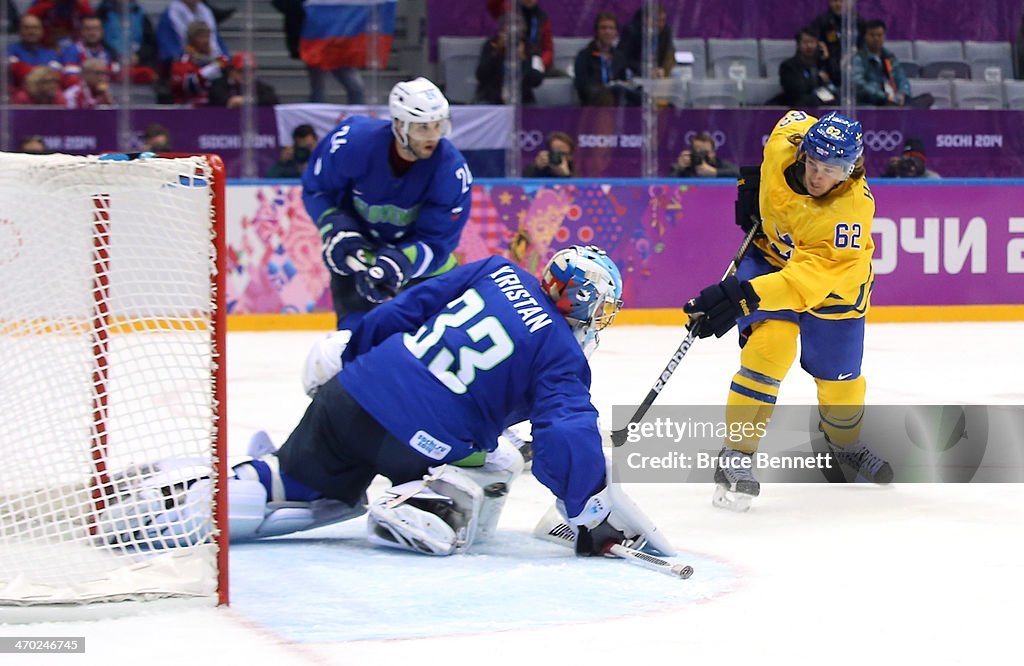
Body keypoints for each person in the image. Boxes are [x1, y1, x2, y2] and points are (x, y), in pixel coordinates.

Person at [92, 247, 675, 559]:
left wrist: (355, 355)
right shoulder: (562, 354)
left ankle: (168, 506)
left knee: (294, 480)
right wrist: (589, 510)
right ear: (586, 303)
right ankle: (424, 504)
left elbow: (405, 308)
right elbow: (565, 433)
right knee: (501, 461)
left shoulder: (496, 271)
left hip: (352, 393)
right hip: (417, 441)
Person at [682, 110, 893, 512]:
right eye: (813, 163)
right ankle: (736, 455)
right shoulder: (785, 140)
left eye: (830, 170)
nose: (817, 176)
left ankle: (844, 446)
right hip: (767, 260)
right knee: (768, 351)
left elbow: (803, 284)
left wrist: (738, 296)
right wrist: (753, 189)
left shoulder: (849, 212)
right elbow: (795, 119)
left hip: (834, 286)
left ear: (850, 168)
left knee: (840, 379)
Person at [301, 77, 472, 329]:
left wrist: (402, 261)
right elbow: (316, 190)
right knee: (353, 344)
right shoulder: (352, 142)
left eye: (439, 126)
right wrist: (333, 226)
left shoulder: (450, 171)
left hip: (423, 267)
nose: (433, 137)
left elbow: (437, 244)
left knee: (438, 350)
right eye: (422, 128)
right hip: (361, 251)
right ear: (399, 125)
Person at [852, 19, 926, 108]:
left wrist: (902, 93)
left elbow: (901, 77)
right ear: (865, 37)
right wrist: (884, 97)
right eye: (872, 35)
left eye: (879, 35)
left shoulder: (889, 57)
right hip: (874, 101)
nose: (876, 39)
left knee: (927, 98)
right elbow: (859, 84)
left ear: (884, 36)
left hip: (893, 99)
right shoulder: (859, 58)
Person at [573, 11, 640, 107]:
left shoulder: (619, 56)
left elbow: (625, 80)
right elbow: (582, 85)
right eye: (603, 28)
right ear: (597, 31)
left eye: (611, 28)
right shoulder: (584, 56)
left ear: (616, 33)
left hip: (618, 100)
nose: (607, 32)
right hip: (595, 104)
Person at [474, 15, 544, 104]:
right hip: (491, 98)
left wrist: (523, 60)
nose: (513, 30)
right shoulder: (491, 45)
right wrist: (497, 53)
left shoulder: (531, 48)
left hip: (523, 99)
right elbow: (481, 75)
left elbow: (537, 80)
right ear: (501, 30)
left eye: (517, 25)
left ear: (524, 29)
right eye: (508, 26)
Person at [771, 26, 836, 108]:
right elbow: (797, 94)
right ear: (798, 44)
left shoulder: (821, 64)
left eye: (812, 42)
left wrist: (827, 60)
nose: (809, 46)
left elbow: (835, 90)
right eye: (805, 42)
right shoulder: (788, 66)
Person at [808, 0, 864, 87]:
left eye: (842, 1)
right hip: (828, 72)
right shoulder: (822, 22)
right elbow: (811, 46)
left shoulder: (858, 22)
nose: (838, 4)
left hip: (852, 72)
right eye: (834, 1)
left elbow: (864, 48)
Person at [618, 4, 674, 79]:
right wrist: (643, 70)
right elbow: (622, 57)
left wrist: (663, 69)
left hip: (657, 74)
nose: (660, 24)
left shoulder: (666, 31)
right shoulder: (631, 31)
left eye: (663, 20)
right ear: (646, 19)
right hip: (634, 73)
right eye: (657, 20)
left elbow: (669, 55)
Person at [7, 15, 62, 92]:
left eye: (35, 28)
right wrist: (43, 73)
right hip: (19, 97)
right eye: (27, 28)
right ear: (19, 31)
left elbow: (56, 75)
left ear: (42, 31)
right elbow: (17, 71)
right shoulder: (9, 51)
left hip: (46, 95)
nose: (31, 31)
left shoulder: (51, 54)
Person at [669, 132, 739, 178]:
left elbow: (742, 179)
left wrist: (715, 172)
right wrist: (679, 168)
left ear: (713, 153)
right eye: (697, 151)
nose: (701, 155)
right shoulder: (684, 166)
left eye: (705, 152)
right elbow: (669, 187)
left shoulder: (720, 164)